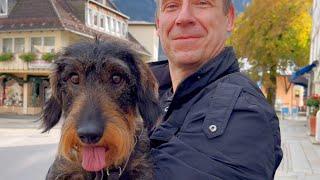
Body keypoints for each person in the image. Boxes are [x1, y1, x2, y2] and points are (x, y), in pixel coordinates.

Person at [148, 0, 283, 179]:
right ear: (158, 24)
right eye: (172, 5)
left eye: (201, 3)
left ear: (229, 19)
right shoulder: (145, 95)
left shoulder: (245, 113)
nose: (183, 18)